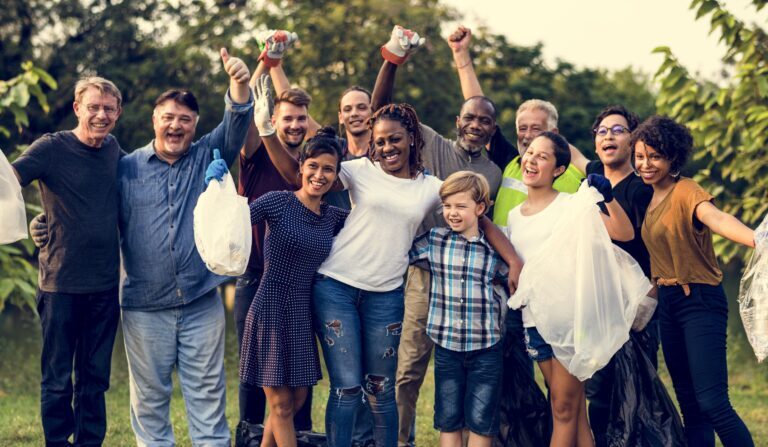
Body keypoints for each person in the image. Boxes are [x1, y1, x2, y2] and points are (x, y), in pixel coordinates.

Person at [253, 69, 521, 445]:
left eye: (394, 139)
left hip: (387, 294)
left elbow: (477, 213)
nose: (387, 148)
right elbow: (303, 174)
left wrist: (515, 261)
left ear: (412, 138)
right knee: (346, 388)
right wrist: (266, 130)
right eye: (379, 142)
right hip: (336, 288)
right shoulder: (358, 171)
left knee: (380, 389)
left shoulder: (431, 187)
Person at [368, 26, 515, 447]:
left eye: (484, 120)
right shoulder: (431, 144)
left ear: (492, 129)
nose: (475, 124)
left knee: (466, 372)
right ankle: (399, 440)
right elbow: (382, 111)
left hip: (469, 276)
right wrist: (393, 59)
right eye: (469, 117)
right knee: (409, 367)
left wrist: (514, 261)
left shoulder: (495, 171)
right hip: (426, 271)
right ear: (457, 121)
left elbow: (486, 223)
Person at [117, 48, 253, 446]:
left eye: (185, 120)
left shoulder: (208, 156)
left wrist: (240, 83)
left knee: (208, 397)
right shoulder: (125, 168)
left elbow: (237, 120)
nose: (176, 126)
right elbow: (90, 213)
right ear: (154, 121)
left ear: (195, 125)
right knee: (149, 402)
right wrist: (47, 225)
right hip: (144, 307)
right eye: (168, 118)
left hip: (200, 301)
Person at [208, 127, 349, 447]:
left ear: (337, 175)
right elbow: (231, 220)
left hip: (301, 313)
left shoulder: (334, 218)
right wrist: (216, 188)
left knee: (296, 400)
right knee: (281, 405)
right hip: (269, 308)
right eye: (313, 166)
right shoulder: (277, 202)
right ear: (301, 167)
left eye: (328, 169)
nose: (319, 174)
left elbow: (370, 228)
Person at [12, 76, 123, 447]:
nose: (101, 115)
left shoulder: (113, 151)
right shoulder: (51, 148)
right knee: (58, 379)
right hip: (59, 286)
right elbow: (9, 179)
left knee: (94, 379)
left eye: (108, 108)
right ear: (78, 108)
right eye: (93, 107)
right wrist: (27, 221)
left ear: (118, 113)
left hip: (105, 288)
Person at [632, 115, 757, 447]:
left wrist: (758, 239)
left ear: (672, 157)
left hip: (700, 301)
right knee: (690, 407)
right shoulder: (648, 197)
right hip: (669, 304)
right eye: (640, 156)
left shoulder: (686, 190)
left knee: (713, 403)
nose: (645, 164)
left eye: (654, 157)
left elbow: (716, 218)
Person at [506, 131, 634, 447]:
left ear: (559, 169)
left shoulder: (571, 206)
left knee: (562, 409)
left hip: (570, 323)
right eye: (530, 153)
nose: (531, 160)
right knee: (573, 409)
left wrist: (608, 198)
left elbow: (624, 232)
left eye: (543, 156)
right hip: (534, 323)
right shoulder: (513, 216)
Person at [234, 47, 319, 444]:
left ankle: (295, 438)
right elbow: (248, 105)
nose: (296, 125)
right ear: (273, 121)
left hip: (301, 283)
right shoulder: (255, 150)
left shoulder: (314, 163)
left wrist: (278, 68)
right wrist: (263, 65)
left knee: (299, 379)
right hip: (257, 277)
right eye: (288, 118)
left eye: (302, 118)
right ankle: (250, 437)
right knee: (256, 379)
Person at [409, 171, 507, 447]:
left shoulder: (494, 248)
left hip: (486, 347)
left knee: (481, 420)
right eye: (447, 206)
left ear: (480, 208)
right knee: (448, 418)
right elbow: (399, 253)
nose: (452, 213)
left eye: (461, 206)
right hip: (447, 348)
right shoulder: (435, 240)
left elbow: (511, 278)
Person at [492, 99, 589, 226]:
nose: (527, 135)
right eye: (522, 128)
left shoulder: (577, 180)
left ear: (554, 133)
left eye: (536, 129)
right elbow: (481, 113)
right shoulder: (509, 161)